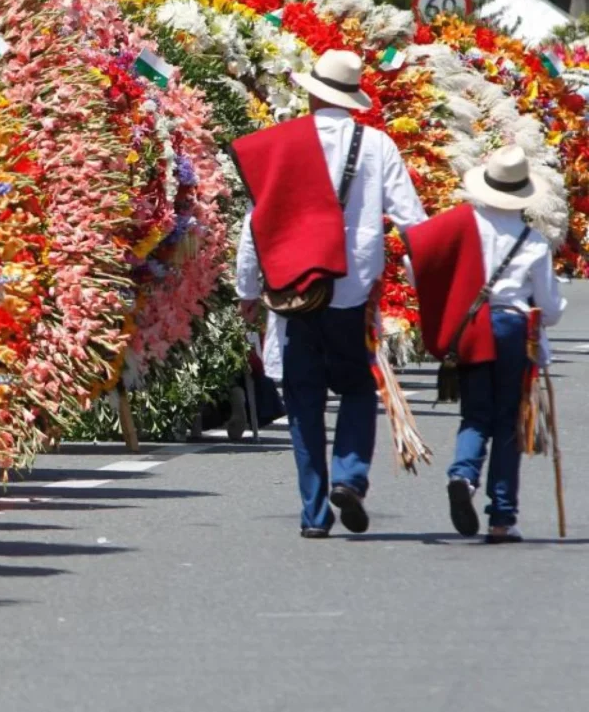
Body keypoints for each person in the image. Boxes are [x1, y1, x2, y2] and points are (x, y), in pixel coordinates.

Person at [232, 49, 427, 538]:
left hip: (295, 288)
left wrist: (247, 288)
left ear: (312, 92)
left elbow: (256, 222)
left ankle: (314, 513)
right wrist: (429, 282)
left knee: (303, 402)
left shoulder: (283, 144)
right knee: (359, 388)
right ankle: (350, 477)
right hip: (353, 289)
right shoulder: (378, 146)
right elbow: (412, 222)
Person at [404, 146, 566, 543]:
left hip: (471, 327)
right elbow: (549, 306)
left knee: (475, 415)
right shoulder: (532, 241)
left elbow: (415, 263)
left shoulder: (461, 224)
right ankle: (501, 516)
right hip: (512, 328)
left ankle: (463, 473)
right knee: (510, 422)